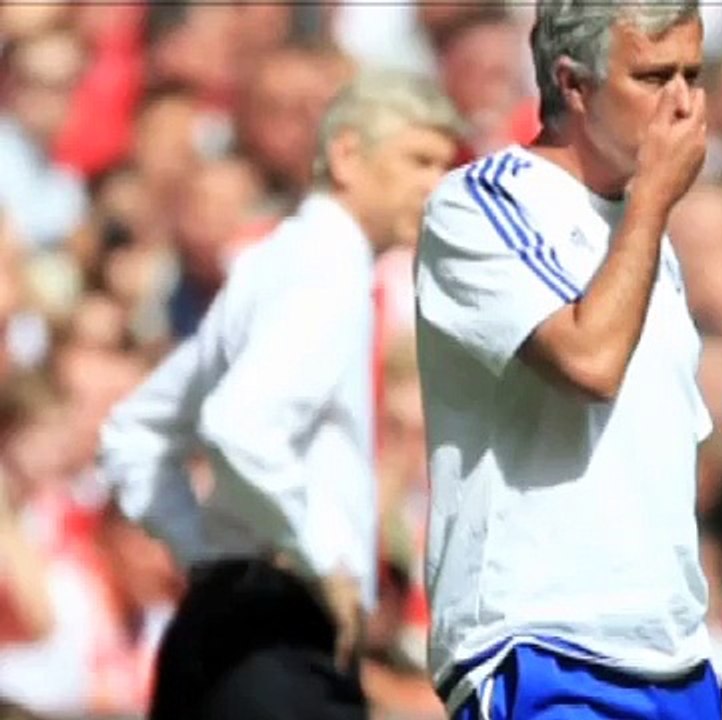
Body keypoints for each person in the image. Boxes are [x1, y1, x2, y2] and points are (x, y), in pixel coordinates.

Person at [96, 70, 462, 720]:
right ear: (348, 154)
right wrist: (325, 563)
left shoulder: (280, 258)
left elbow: (137, 431)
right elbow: (242, 425)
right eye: (417, 160)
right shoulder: (324, 271)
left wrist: (203, 553)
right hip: (276, 643)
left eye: (442, 164)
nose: (434, 184)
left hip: (226, 632)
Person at [414, 0, 722, 717]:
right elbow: (590, 362)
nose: (682, 104)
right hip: (544, 646)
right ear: (573, 84)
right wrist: (650, 202)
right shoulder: (481, 203)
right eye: (652, 77)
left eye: (693, 75)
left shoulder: (644, 234)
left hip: (672, 655)